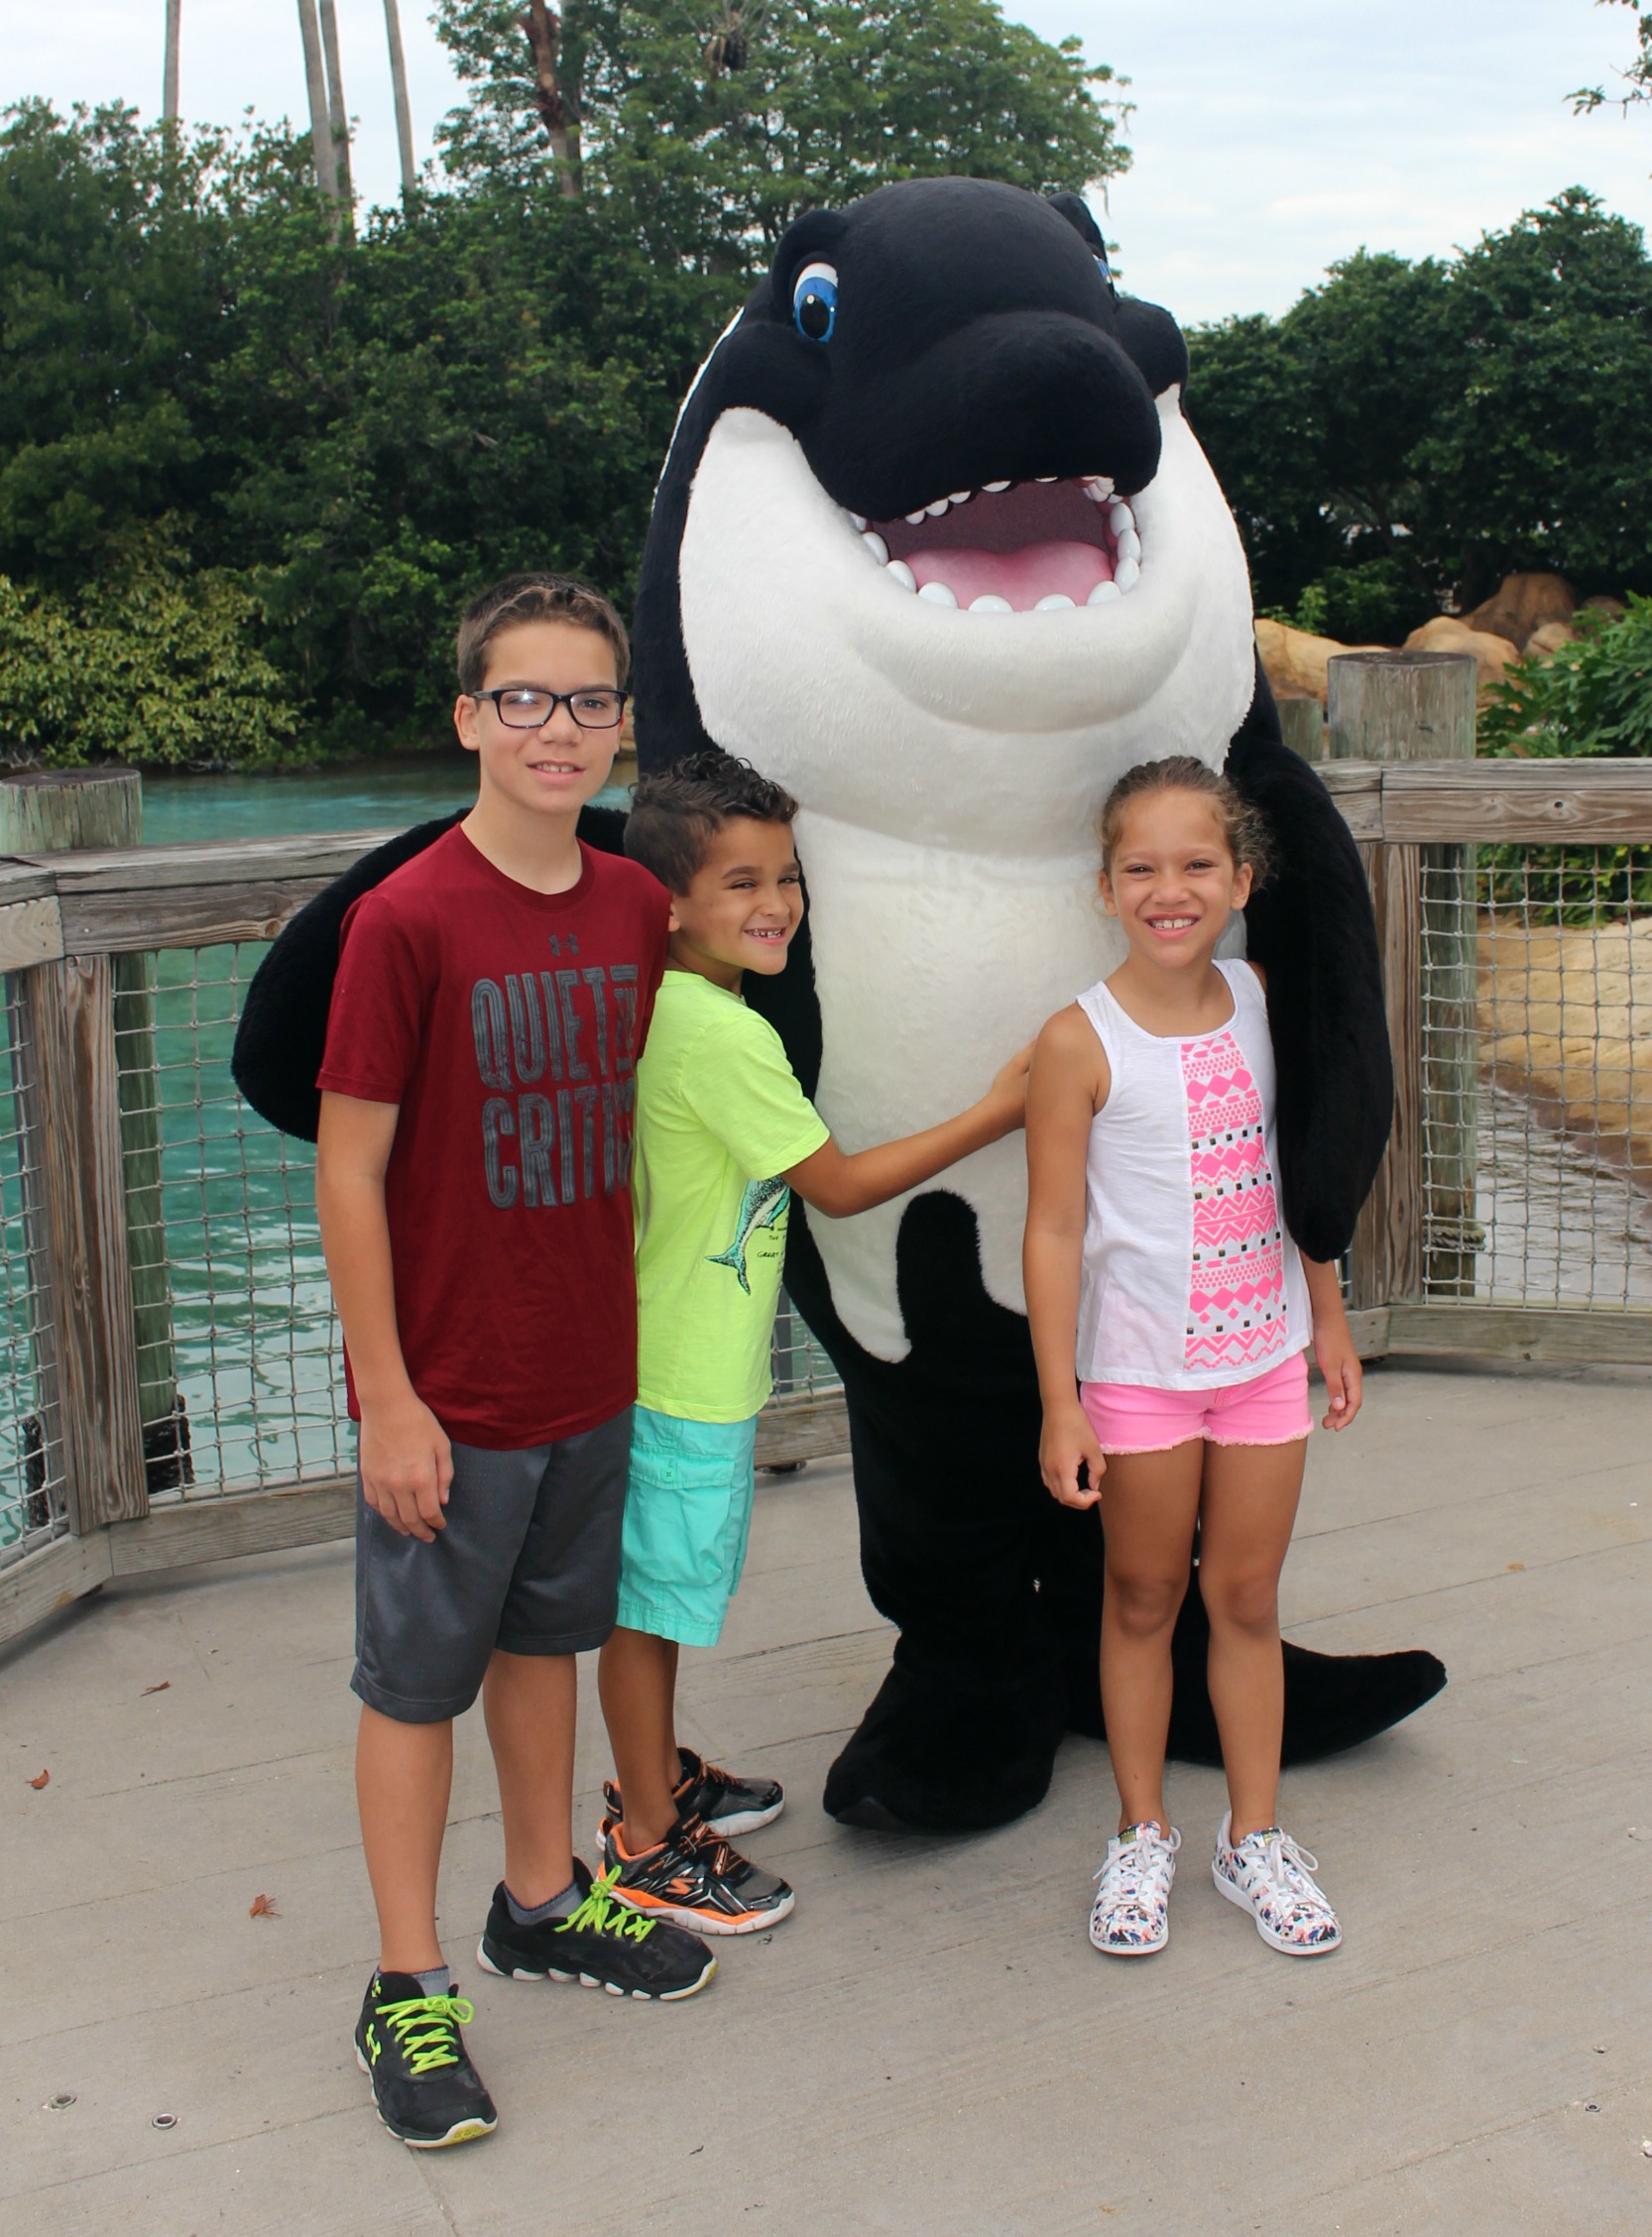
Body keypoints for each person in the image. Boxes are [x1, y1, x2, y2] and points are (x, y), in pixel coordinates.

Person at [314, 575, 716, 2153]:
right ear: (469, 716)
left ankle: (541, 1896)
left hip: (586, 1368)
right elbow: (349, 1171)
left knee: (543, 1643)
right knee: (416, 1681)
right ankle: (406, 1979)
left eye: (591, 702)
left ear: (623, 723)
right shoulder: (403, 919)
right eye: (527, 700)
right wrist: (389, 1397)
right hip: (452, 1389)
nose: (561, 729)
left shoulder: (631, 902)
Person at [594, 748, 1031, 1931]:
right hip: (679, 1371)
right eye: (739, 883)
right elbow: (835, 1186)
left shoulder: (681, 1003)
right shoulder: (722, 1037)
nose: (774, 902)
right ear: (672, 903)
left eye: (784, 875)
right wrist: (1001, 1107)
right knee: (652, 1607)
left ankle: (658, 1773)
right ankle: (645, 1836)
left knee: (663, 1591)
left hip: (669, 1355)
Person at [1022, 756, 1363, 1961]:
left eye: (1196, 865)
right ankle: (1143, 1831)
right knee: (1143, 1596)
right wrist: (1060, 1401)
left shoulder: (1265, 999)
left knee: (1248, 1599)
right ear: (1105, 888)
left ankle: (1252, 1838)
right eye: (1142, 868)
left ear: (1240, 878)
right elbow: (1054, 1228)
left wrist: (1325, 1314)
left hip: (1264, 1358)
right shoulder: (1077, 1041)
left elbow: (1301, 1172)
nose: (1171, 890)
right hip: (1137, 1378)